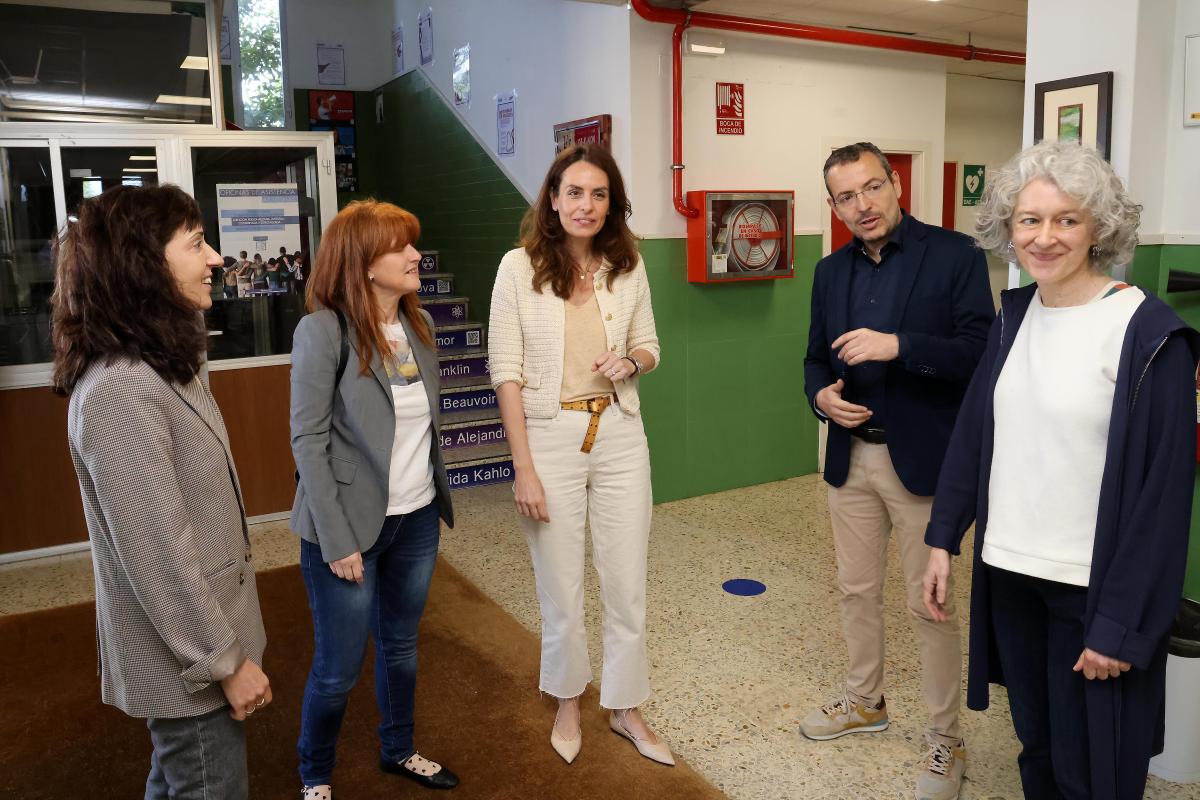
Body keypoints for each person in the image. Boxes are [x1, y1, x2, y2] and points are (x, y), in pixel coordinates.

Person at [922, 140, 1200, 800]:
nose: (1043, 238)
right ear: (1008, 227)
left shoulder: (1147, 334)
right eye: (1029, 219)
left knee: (1092, 767)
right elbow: (976, 435)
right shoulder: (1015, 317)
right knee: (1039, 748)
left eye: (1066, 219)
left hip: (1090, 590)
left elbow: (1163, 501)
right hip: (1011, 572)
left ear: (1098, 228)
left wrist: (1121, 625)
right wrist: (942, 537)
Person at [50, 184, 270, 799]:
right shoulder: (121, 387)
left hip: (197, 645)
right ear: (143, 263)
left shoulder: (162, 361)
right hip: (187, 664)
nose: (217, 258)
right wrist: (225, 662)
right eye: (196, 244)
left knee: (176, 782)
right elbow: (157, 554)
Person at [801, 141, 994, 799]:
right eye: (846, 196)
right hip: (850, 457)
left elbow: (978, 352)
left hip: (923, 462)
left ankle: (945, 739)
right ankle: (865, 701)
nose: (862, 204)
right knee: (856, 590)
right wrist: (820, 396)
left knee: (929, 604)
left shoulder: (955, 256)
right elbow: (813, 358)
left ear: (896, 184)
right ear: (834, 207)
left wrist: (899, 346)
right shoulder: (830, 272)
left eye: (872, 187)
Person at [488, 144, 670, 766]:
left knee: (627, 581)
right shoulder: (517, 268)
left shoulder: (628, 267)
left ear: (611, 204)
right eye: (574, 192)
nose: (585, 205)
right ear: (553, 198)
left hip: (619, 433)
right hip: (549, 438)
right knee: (560, 584)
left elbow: (650, 345)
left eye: (598, 194)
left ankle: (625, 705)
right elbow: (505, 371)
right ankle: (567, 698)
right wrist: (524, 469)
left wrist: (632, 362)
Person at [290, 200, 458, 798]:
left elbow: (422, 428)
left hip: (415, 519)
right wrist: (336, 540)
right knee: (338, 669)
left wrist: (428, 502)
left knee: (401, 649)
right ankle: (315, 775)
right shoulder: (324, 331)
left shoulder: (419, 325)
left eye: (413, 244)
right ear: (363, 263)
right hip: (346, 527)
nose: (415, 255)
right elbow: (308, 442)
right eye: (400, 247)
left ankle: (399, 748)